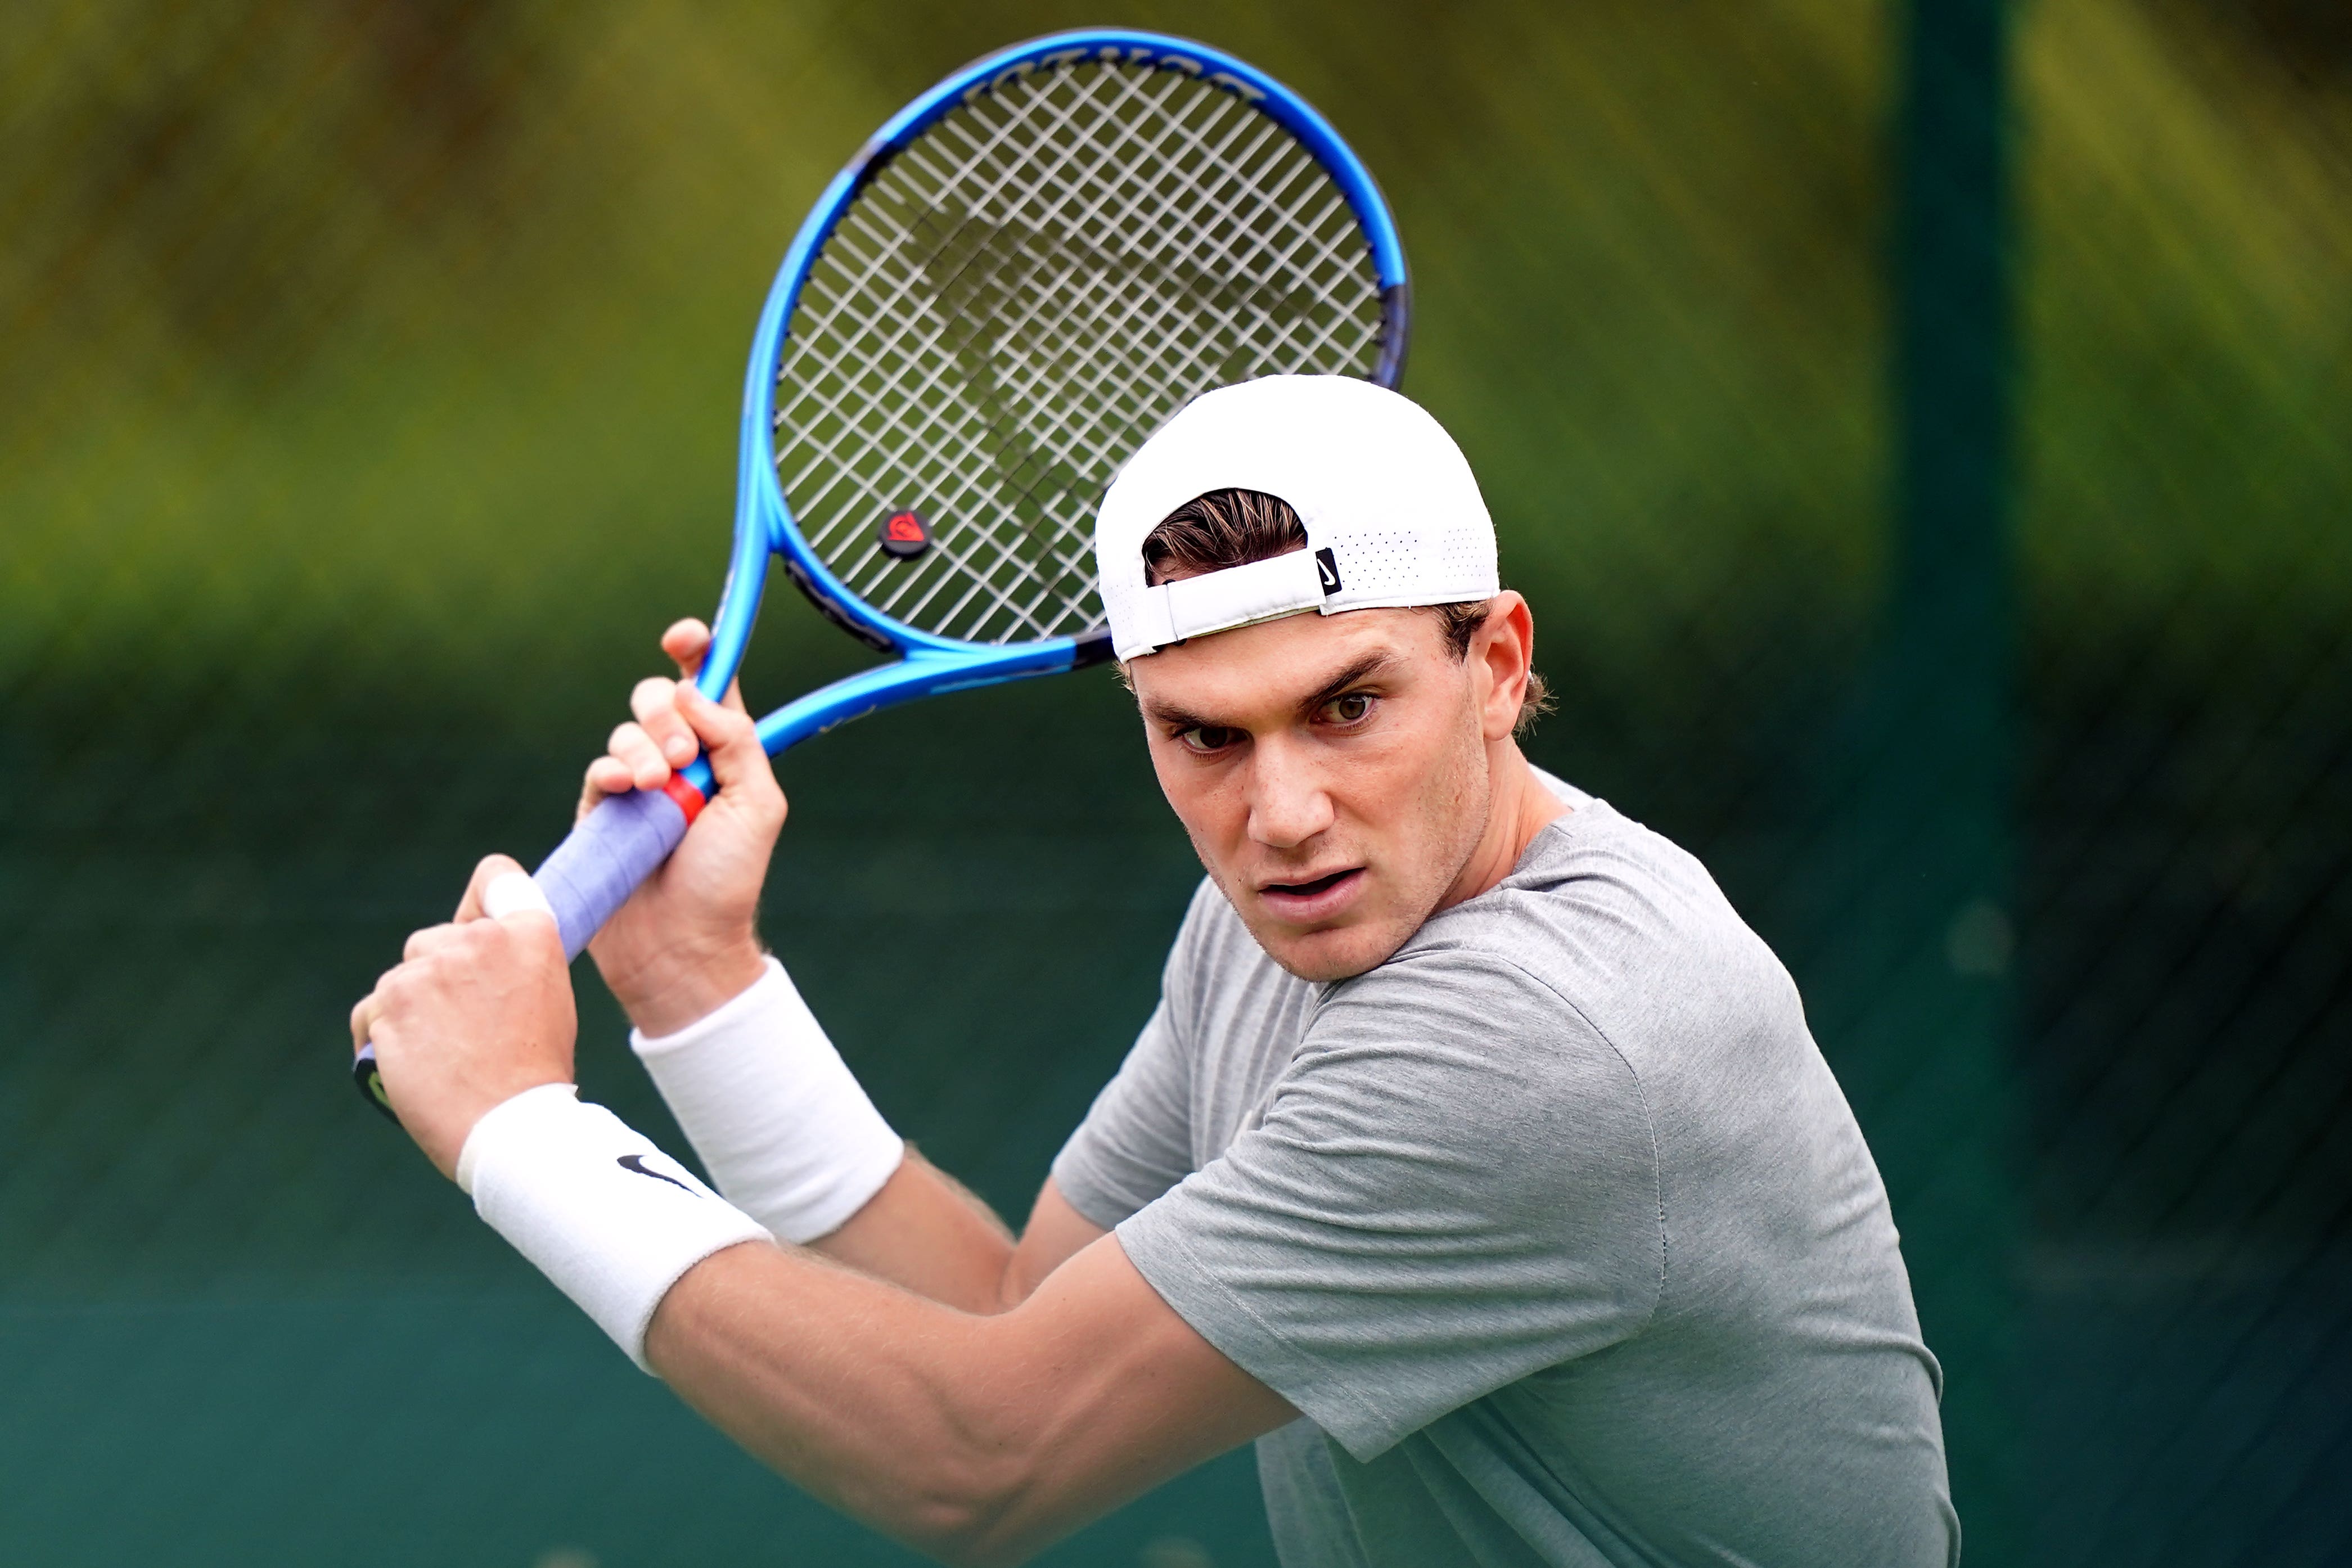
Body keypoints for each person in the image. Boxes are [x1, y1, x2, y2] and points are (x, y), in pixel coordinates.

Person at [352, 376, 1959, 1567]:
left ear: (1500, 664)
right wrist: (699, 981)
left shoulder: (1551, 1039)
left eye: (1348, 705)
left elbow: (978, 1456)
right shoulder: (1292, 908)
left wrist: (521, 1129)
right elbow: (1005, 1315)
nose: (1283, 812)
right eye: (1205, 733)